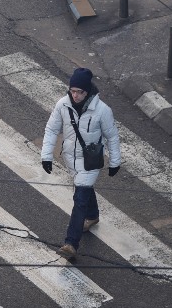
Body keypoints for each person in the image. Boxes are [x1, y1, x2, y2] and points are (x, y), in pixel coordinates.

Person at [41, 68, 121, 260]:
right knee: (84, 191)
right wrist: (46, 156)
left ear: (88, 92)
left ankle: (71, 243)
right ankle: (92, 216)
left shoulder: (102, 111)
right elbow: (52, 130)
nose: (75, 95)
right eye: (73, 91)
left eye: (80, 92)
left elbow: (112, 137)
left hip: (90, 162)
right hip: (71, 159)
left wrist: (115, 162)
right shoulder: (62, 105)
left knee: (80, 198)